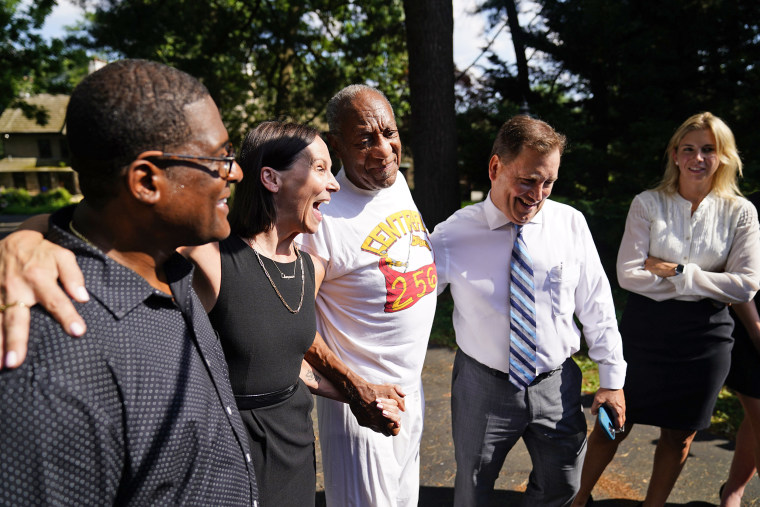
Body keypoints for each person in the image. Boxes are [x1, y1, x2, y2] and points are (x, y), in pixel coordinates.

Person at [0, 59, 259, 504]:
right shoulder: (52, 368)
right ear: (146, 181)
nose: (233, 172)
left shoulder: (170, 275)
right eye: (219, 157)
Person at [182, 120, 402, 506]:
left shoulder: (311, 268)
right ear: (271, 178)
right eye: (320, 168)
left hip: (296, 449)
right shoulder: (211, 259)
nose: (334, 183)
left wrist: (363, 397)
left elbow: (290, 363)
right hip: (231, 454)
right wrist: (35, 235)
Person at [430, 115, 627, 507]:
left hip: (558, 383)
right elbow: (411, 309)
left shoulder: (570, 224)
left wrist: (612, 378)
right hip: (481, 386)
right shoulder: (451, 235)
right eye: (528, 179)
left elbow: (597, 303)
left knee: (564, 485)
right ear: (495, 167)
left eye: (549, 182)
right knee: (473, 489)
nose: (538, 194)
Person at [573, 112, 760, 507]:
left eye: (709, 149)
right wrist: (711, 278)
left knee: (680, 434)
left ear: (724, 156)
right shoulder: (648, 203)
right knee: (614, 423)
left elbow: (746, 284)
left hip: (706, 336)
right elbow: (628, 274)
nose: (698, 157)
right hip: (646, 330)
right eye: (689, 148)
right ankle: (574, 500)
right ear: (674, 155)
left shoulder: (741, 213)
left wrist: (677, 271)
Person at [297, 84, 438, 506]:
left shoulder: (394, 186)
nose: (384, 150)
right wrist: (355, 388)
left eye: (389, 133)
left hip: (411, 393)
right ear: (336, 146)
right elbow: (294, 323)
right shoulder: (324, 218)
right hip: (359, 407)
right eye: (365, 141)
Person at [720, 191, 760, 507]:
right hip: (751, 328)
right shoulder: (749, 209)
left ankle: (733, 489)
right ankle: (732, 492)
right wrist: (756, 329)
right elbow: (733, 275)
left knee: (755, 419)